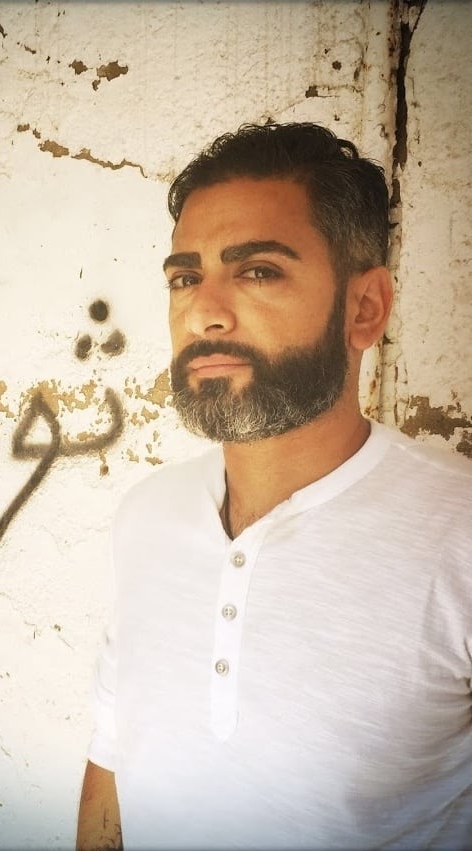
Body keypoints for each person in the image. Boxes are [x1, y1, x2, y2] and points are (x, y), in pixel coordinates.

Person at [76, 122, 472, 850]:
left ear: (364, 308)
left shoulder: (458, 532)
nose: (203, 311)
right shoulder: (147, 518)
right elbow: (112, 755)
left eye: (257, 271)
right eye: (184, 277)